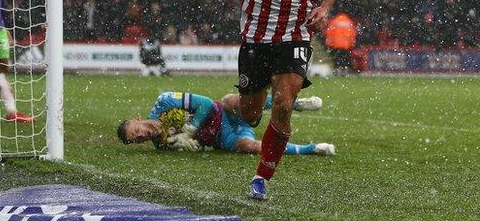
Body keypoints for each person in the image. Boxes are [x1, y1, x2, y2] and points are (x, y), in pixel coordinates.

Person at [171, 0, 341, 200]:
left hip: (295, 36)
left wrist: (325, 7)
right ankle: (248, 100)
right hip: (255, 37)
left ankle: (261, 178)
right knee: (250, 115)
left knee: (283, 105)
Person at [117, 91, 332, 156]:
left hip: (225, 114)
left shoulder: (165, 101)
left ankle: (296, 104)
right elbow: (199, 148)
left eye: (137, 130)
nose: (141, 135)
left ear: (137, 119)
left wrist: (190, 131)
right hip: (222, 138)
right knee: (251, 148)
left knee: (233, 100)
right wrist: (193, 146)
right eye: (137, 139)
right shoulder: (163, 144)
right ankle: (309, 149)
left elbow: (207, 103)